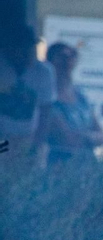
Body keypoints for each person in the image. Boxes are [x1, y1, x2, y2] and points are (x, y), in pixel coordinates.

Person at [40, 42, 103, 165]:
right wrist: (90, 138)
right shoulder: (49, 98)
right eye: (62, 58)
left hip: (88, 165)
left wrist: (88, 137)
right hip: (60, 165)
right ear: (51, 62)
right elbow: (68, 140)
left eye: (72, 57)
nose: (67, 62)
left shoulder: (80, 97)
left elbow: (102, 135)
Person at [0, 24, 53, 166]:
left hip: (29, 137)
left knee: (28, 173)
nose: (28, 52)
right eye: (22, 47)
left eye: (31, 47)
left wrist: (36, 145)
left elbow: (46, 111)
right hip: (2, 137)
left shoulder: (44, 72)